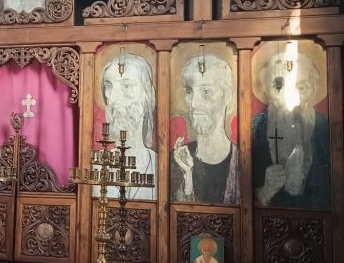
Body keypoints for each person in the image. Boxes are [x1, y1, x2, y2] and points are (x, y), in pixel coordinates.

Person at [252, 51, 331, 208]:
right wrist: (266, 191)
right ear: (266, 89)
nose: (291, 97)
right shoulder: (255, 127)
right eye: (279, 86)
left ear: (313, 89)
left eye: (301, 87)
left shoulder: (325, 128)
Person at [170, 54, 240, 204]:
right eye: (189, 91)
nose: (194, 103)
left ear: (227, 95)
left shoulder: (241, 162)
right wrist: (187, 176)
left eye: (206, 92)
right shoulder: (176, 160)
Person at [100, 53, 157, 200]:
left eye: (126, 86)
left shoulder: (159, 166)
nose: (112, 99)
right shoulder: (96, 166)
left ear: (147, 95)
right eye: (108, 86)